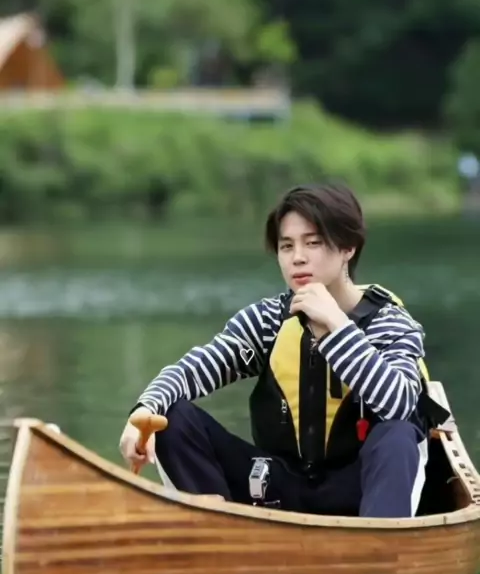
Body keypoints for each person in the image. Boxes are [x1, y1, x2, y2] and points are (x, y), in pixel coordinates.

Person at [119, 182, 447, 518]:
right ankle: (217, 529)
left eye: (313, 243)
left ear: (348, 247)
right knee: (169, 418)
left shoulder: (389, 322)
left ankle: (377, 546)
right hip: (280, 488)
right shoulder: (268, 320)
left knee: (397, 434)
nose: (297, 257)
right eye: (286, 246)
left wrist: (336, 327)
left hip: (361, 491)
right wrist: (145, 409)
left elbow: (401, 404)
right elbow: (194, 369)